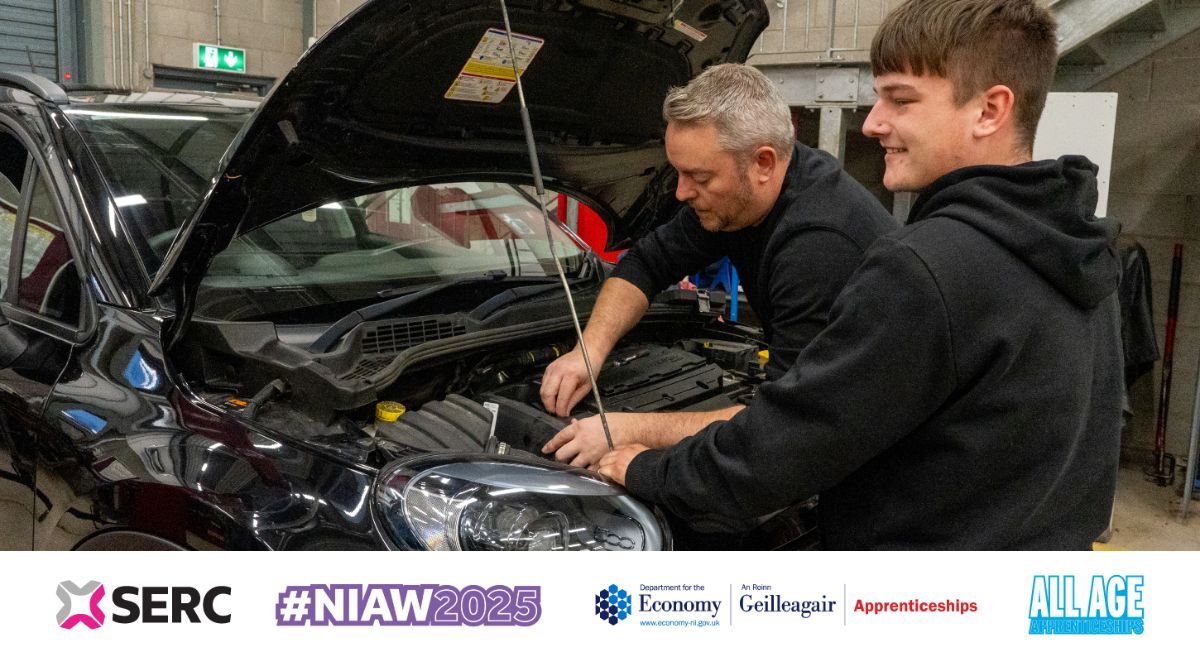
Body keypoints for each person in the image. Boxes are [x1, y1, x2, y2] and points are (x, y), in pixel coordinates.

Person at [596, 0, 1123, 550]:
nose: (873, 123)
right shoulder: (1076, 241)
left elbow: (782, 452)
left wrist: (644, 470)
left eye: (900, 99)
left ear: (989, 110)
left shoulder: (926, 267)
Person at [539, 64, 895, 468]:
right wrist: (589, 351)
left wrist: (626, 430)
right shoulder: (745, 194)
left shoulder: (818, 246)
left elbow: (783, 423)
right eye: (678, 171)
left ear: (763, 162)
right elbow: (648, 263)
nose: (681, 191)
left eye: (698, 176)